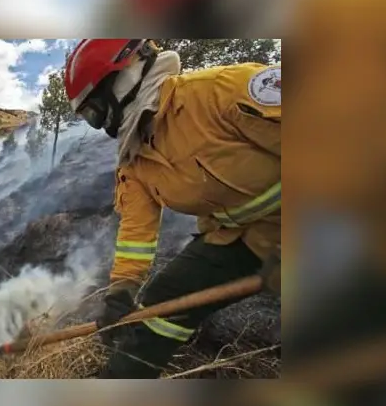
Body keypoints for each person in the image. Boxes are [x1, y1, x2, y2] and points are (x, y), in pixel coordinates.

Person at [63, 39, 281, 378]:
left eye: (94, 112)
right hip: (240, 238)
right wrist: (122, 290)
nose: (101, 124)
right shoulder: (135, 158)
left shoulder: (219, 91)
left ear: (122, 78)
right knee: (165, 299)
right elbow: (136, 231)